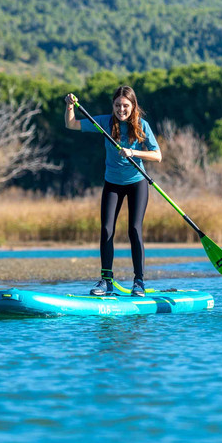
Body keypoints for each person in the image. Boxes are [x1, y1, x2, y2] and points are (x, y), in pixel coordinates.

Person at [64, 86, 162, 297]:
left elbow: (157, 155)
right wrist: (70, 106)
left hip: (137, 183)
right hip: (112, 184)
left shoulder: (142, 125)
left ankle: (139, 282)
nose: (121, 109)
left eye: (125, 105)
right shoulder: (105, 122)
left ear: (133, 106)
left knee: (134, 230)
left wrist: (133, 152)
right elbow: (71, 124)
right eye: (117, 105)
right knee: (107, 230)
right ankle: (106, 281)